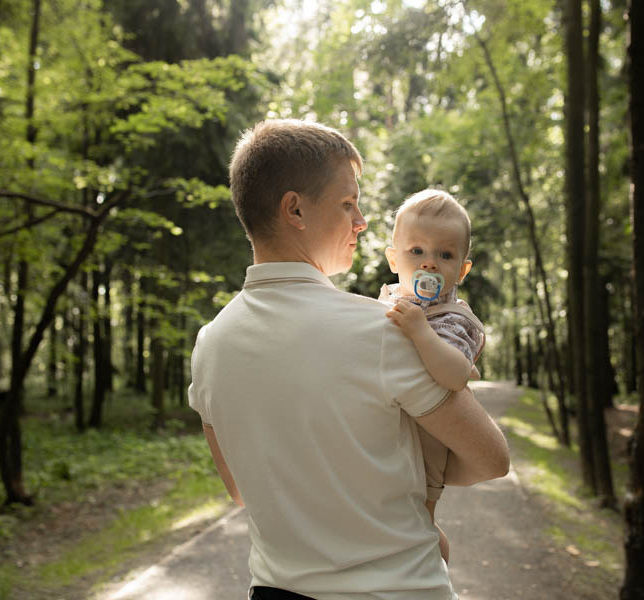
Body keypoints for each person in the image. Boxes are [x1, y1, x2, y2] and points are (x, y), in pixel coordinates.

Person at [188, 119, 509, 600]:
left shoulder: (209, 344)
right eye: (347, 204)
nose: (360, 220)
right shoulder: (385, 329)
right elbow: (490, 459)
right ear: (294, 209)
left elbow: (241, 491)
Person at [380, 189, 485, 564]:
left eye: (445, 254)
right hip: (385, 431)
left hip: (424, 446)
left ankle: (435, 570)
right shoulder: (389, 300)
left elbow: (456, 375)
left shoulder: (454, 319)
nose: (429, 264)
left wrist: (421, 332)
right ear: (394, 259)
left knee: (418, 520)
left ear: (462, 269)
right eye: (417, 251)